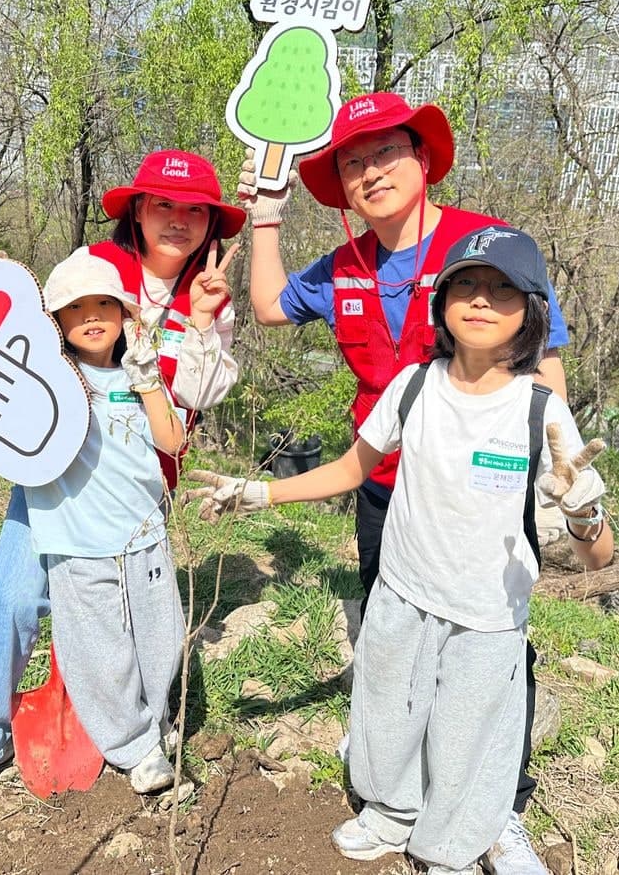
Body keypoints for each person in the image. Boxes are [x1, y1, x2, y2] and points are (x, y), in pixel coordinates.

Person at [190, 226, 614, 875]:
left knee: (471, 736)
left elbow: (598, 557)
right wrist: (259, 492)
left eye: (503, 289)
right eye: (465, 284)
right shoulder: (414, 385)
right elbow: (350, 468)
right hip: (403, 590)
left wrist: (579, 504)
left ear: (532, 310)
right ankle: (391, 810)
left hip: (487, 616)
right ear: (442, 301)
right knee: (385, 709)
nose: (480, 299)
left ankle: (451, 846)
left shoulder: (543, 411)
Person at [240, 92, 570, 874]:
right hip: (385, 487)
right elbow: (266, 307)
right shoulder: (344, 266)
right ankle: (399, 794)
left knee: (493, 653)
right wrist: (264, 215)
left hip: (485, 493)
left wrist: (557, 480)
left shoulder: (486, 247)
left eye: (386, 152)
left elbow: (543, 364)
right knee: (393, 639)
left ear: (423, 160)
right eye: (352, 163)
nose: (369, 172)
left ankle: (499, 810)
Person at [0, 149, 245, 808]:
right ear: (137, 210)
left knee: (131, 617)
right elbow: (24, 348)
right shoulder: (94, 270)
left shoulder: (208, 294)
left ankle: (135, 728)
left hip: (131, 488)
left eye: (195, 210)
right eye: (164, 204)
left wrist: (206, 321)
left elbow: (196, 397)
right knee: (13, 599)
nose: (179, 221)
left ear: (212, 222)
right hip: (53, 473)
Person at [23, 251, 185, 791]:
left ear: (123, 314)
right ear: (55, 321)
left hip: (144, 532)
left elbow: (172, 442)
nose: (92, 315)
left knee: (160, 638)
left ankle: (158, 722)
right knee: (99, 649)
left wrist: (148, 381)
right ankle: (134, 748)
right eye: (75, 307)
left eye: (104, 304)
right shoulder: (45, 380)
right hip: (78, 540)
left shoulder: (139, 372)